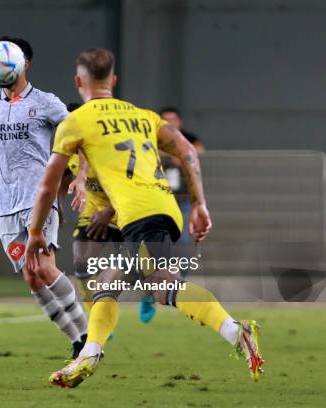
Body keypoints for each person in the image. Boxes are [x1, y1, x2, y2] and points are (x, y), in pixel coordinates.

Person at [26, 48, 264, 388]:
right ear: (114, 80)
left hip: (138, 214)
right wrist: (200, 204)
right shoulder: (143, 115)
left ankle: (89, 356)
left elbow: (48, 185)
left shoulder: (76, 121)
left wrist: (36, 230)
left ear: (79, 81)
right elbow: (186, 151)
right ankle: (90, 354)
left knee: (124, 284)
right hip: (164, 208)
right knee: (147, 282)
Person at [0, 37, 88, 357]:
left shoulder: (45, 102)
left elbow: (81, 137)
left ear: (24, 63)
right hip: (3, 206)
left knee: (43, 266)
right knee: (31, 276)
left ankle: (88, 334)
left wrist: (80, 178)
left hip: (38, 200)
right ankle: (76, 340)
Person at [59, 103, 156, 324]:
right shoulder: (66, 150)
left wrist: (109, 211)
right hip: (92, 215)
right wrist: (58, 208)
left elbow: (134, 185)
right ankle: (97, 318)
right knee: (81, 262)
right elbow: (60, 179)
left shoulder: (109, 149)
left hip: (124, 213)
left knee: (139, 270)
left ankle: (148, 294)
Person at [159, 107, 205, 244]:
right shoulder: (153, 136)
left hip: (183, 195)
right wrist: (171, 156)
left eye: (172, 119)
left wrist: (184, 157)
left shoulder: (187, 137)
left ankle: (181, 263)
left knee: (183, 234)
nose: (169, 123)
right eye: (165, 120)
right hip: (159, 195)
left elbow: (199, 149)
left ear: (179, 121)